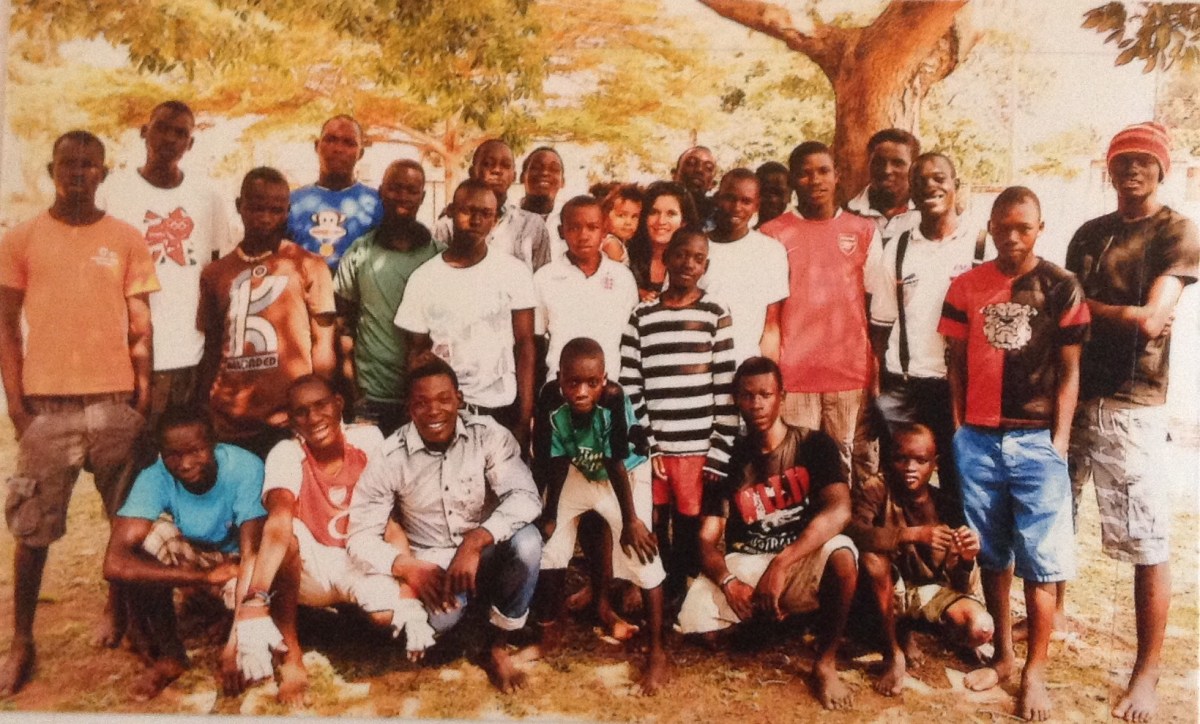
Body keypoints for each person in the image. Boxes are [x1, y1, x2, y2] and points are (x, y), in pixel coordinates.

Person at [0, 130, 159, 696]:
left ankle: (125, 615)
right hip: (48, 409)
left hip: (115, 404)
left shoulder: (126, 239)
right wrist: (17, 406)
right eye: (68, 163)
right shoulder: (20, 238)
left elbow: (141, 327)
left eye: (89, 164)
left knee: (126, 523)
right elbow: (6, 328)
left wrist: (142, 398)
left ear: (103, 173)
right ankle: (22, 641)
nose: (78, 172)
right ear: (51, 169)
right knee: (33, 530)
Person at [1063, 122, 1199, 722]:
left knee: (1146, 537)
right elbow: (1066, 313)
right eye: (1122, 161)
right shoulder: (1089, 234)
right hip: (1072, 393)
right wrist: (1117, 313)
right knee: (1055, 515)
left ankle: (1146, 671)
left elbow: (1152, 320)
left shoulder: (1177, 231)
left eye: (1145, 160)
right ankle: (1051, 615)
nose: (1133, 169)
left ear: (1162, 169)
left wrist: (1089, 308)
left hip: (1132, 401)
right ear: (1109, 170)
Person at [939, 186, 1090, 721]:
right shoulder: (967, 285)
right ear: (991, 226)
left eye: (1023, 227)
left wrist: (1059, 440)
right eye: (1002, 226)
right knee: (992, 553)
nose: (1012, 236)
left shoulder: (1061, 286)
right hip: (979, 439)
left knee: (1041, 562)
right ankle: (1003, 656)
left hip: (1035, 440)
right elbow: (956, 363)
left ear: (1040, 229)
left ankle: (1035, 672)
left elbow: (1070, 370)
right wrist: (960, 429)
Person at [231, 376, 433, 705]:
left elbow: (390, 522)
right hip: (312, 564)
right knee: (289, 536)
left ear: (339, 403)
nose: (313, 418)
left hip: (357, 556)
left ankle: (333, 619)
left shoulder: (368, 439)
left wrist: (409, 595)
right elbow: (279, 521)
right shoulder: (286, 452)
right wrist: (256, 599)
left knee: (385, 615)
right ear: (291, 420)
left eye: (321, 405)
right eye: (301, 412)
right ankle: (291, 658)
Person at [346, 359, 543, 693]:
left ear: (459, 400)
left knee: (527, 543)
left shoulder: (488, 435)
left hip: (486, 550)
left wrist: (476, 540)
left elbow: (526, 497)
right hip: (433, 563)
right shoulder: (391, 455)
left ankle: (497, 643)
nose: (434, 411)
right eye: (421, 403)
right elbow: (360, 535)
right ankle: (466, 617)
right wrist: (407, 567)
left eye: (444, 399)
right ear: (409, 408)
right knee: (437, 627)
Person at [677, 356, 858, 711]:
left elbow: (840, 510)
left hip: (798, 558)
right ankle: (780, 620)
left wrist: (782, 563)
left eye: (765, 394)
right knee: (701, 629)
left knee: (842, 555)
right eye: (747, 396)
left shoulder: (814, 445)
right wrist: (729, 583)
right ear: (736, 400)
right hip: (749, 561)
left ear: (782, 397)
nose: (757, 404)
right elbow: (706, 539)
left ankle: (825, 662)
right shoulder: (728, 459)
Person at [98, 100, 234, 464]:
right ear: (145, 132)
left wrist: (214, 349)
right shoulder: (113, 192)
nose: (170, 139)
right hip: (130, 354)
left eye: (180, 133)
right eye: (162, 128)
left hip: (190, 353)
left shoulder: (208, 198)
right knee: (130, 459)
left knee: (188, 459)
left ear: (190, 144)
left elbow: (216, 273)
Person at [532, 339, 667, 694]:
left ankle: (657, 652)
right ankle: (548, 634)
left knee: (640, 551)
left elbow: (615, 461)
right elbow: (556, 458)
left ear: (604, 380)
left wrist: (632, 520)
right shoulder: (550, 399)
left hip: (625, 474)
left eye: (592, 383)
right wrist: (550, 513)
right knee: (551, 543)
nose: (581, 391)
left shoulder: (613, 399)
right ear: (559, 378)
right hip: (581, 467)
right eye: (573, 382)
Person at [102, 406, 265, 700]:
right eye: (173, 455)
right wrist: (201, 577)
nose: (186, 464)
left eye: (196, 451)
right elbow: (115, 563)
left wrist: (236, 645)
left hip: (239, 563)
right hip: (201, 563)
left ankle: (232, 623)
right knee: (146, 541)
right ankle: (170, 655)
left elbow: (252, 554)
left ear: (213, 442)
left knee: (258, 567)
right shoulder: (155, 476)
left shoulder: (244, 468)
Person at [619, 229, 738, 608]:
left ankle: (682, 594)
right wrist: (648, 445)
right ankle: (655, 586)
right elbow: (630, 385)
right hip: (655, 448)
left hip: (698, 446)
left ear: (706, 265)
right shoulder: (642, 315)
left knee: (689, 524)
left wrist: (719, 449)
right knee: (654, 520)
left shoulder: (714, 313)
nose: (688, 264)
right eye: (681, 255)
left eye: (698, 258)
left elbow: (725, 386)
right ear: (666, 257)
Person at [868, 153, 987, 510]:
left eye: (939, 178)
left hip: (959, 386)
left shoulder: (981, 244)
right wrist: (877, 386)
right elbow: (881, 325)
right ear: (911, 191)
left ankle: (956, 545)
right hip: (904, 386)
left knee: (959, 482)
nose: (930, 187)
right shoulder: (898, 248)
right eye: (920, 181)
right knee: (899, 486)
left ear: (955, 186)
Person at [760, 141, 882, 484]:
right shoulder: (772, 234)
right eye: (805, 173)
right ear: (792, 181)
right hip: (794, 375)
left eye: (823, 171)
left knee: (848, 471)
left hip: (849, 375)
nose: (815, 180)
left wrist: (873, 370)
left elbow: (876, 308)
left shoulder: (864, 231)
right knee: (797, 472)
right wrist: (773, 373)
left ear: (837, 175)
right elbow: (769, 317)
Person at [196, 167, 337, 458]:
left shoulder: (308, 265)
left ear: (287, 211)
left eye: (276, 210)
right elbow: (211, 348)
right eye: (257, 208)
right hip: (231, 420)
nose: (265, 218)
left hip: (290, 419)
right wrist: (205, 406)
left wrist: (318, 405)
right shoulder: (216, 273)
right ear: (240, 206)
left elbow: (323, 344)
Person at [847, 423, 993, 697]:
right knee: (872, 559)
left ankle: (915, 631)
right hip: (882, 592)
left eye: (920, 460)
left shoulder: (945, 504)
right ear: (889, 459)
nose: (910, 467)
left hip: (925, 593)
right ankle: (893, 651)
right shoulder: (876, 489)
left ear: (934, 464)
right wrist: (912, 534)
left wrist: (966, 559)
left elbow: (957, 583)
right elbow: (855, 533)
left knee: (980, 629)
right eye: (901, 459)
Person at [396, 179, 537, 449]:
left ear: (494, 219)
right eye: (467, 211)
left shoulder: (513, 272)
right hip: (445, 410)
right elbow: (416, 353)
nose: (476, 220)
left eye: (485, 213)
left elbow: (525, 345)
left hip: (500, 404)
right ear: (450, 211)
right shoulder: (424, 278)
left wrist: (524, 417)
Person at [334, 159, 439, 435]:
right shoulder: (360, 253)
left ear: (422, 197)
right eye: (395, 188)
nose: (403, 197)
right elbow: (343, 325)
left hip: (424, 396)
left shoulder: (439, 256)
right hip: (371, 397)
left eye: (412, 190)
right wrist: (354, 392)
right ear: (381, 191)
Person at [534, 195, 639, 382]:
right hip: (561, 385)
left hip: (610, 384)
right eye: (574, 228)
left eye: (592, 227)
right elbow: (537, 340)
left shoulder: (622, 277)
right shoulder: (545, 278)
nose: (583, 236)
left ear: (604, 230)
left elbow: (629, 339)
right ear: (561, 232)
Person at [704, 168, 789, 364]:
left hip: (746, 366)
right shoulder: (696, 247)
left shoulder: (771, 251)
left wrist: (768, 372)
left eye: (746, 201)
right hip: (698, 364)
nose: (736, 207)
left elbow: (770, 326)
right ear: (717, 198)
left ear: (757, 205)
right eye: (729, 198)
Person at [432, 139, 551, 272]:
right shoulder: (448, 225)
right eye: (488, 164)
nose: (497, 170)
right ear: (472, 172)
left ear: (514, 176)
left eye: (505, 165)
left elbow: (542, 279)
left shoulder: (533, 225)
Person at [287, 115, 382, 271]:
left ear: (361, 153)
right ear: (317, 146)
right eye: (330, 140)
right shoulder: (292, 202)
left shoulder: (376, 203)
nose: (338, 149)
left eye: (349, 143)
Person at [626, 181, 699, 302]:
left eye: (671, 214)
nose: (661, 221)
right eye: (654, 212)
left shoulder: (693, 264)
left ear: (683, 221)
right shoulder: (626, 255)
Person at [846, 128, 920, 248]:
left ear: (914, 168)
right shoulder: (846, 214)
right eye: (879, 162)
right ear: (868, 164)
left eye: (897, 163)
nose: (887, 170)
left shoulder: (927, 215)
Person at [599, 183, 643, 265]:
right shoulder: (612, 245)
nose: (628, 222)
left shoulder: (617, 242)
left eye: (634, 216)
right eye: (621, 215)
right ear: (606, 215)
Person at [673, 146, 717, 226]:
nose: (699, 170)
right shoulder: (654, 204)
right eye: (691, 163)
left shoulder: (716, 218)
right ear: (674, 174)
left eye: (708, 168)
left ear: (712, 184)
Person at [754, 161, 790, 228]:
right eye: (766, 192)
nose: (773, 200)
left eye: (779, 193)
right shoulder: (743, 234)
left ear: (789, 196)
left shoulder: (797, 233)